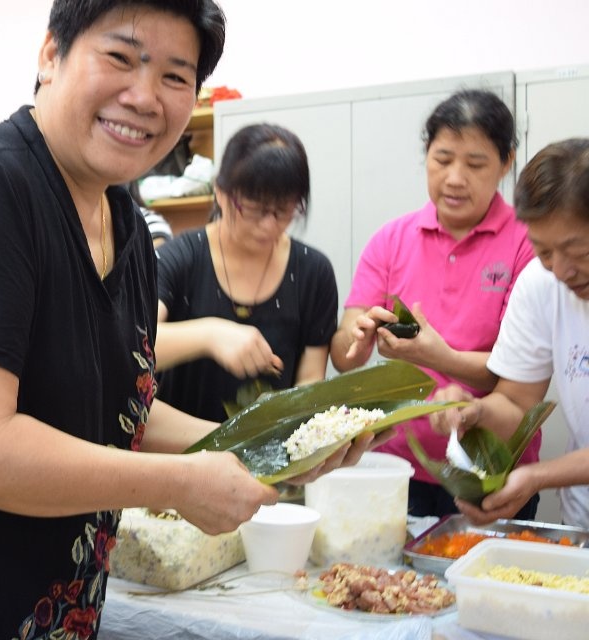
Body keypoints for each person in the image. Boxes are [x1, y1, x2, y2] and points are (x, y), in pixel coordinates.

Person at [0, 3, 372, 638]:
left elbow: (120, 411)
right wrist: (179, 483)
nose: (144, 96)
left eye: (174, 76)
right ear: (51, 54)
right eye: (121, 57)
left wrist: (264, 449)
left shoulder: (128, 230)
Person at [330, 89, 537, 519]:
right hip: (397, 465)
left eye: (475, 164)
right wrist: (358, 339)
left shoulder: (528, 244)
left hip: (490, 467)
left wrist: (438, 357)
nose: (455, 178)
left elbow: (522, 376)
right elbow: (344, 353)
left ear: (506, 163)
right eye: (442, 159)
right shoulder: (391, 239)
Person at [432, 138, 589, 528]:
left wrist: (537, 476)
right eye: (544, 251)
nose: (561, 270)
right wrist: (478, 411)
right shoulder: (539, 284)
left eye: (579, 252)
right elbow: (517, 402)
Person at [153, 123, 336, 422]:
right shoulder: (180, 258)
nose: (269, 225)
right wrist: (210, 335)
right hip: (183, 445)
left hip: (272, 447)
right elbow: (132, 346)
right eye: (254, 209)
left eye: (284, 210)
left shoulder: (314, 272)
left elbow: (310, 378)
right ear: (221, 193)